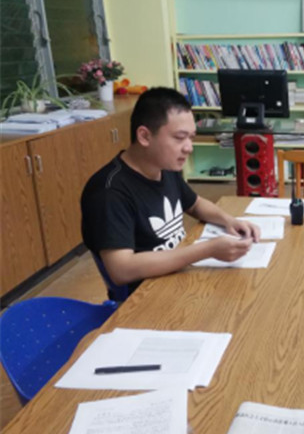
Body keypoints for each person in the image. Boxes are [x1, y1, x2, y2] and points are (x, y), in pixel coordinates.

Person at [81, 87, 260, 300]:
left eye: (191, 138)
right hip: (145, 298)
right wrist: (208, 249)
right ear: (144, 136)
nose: (189, 148)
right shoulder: (109, 192)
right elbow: (122, 270)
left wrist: (229, 220)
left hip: (179, 276)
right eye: (179, 138)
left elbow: (195, 204)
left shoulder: (163, 166)